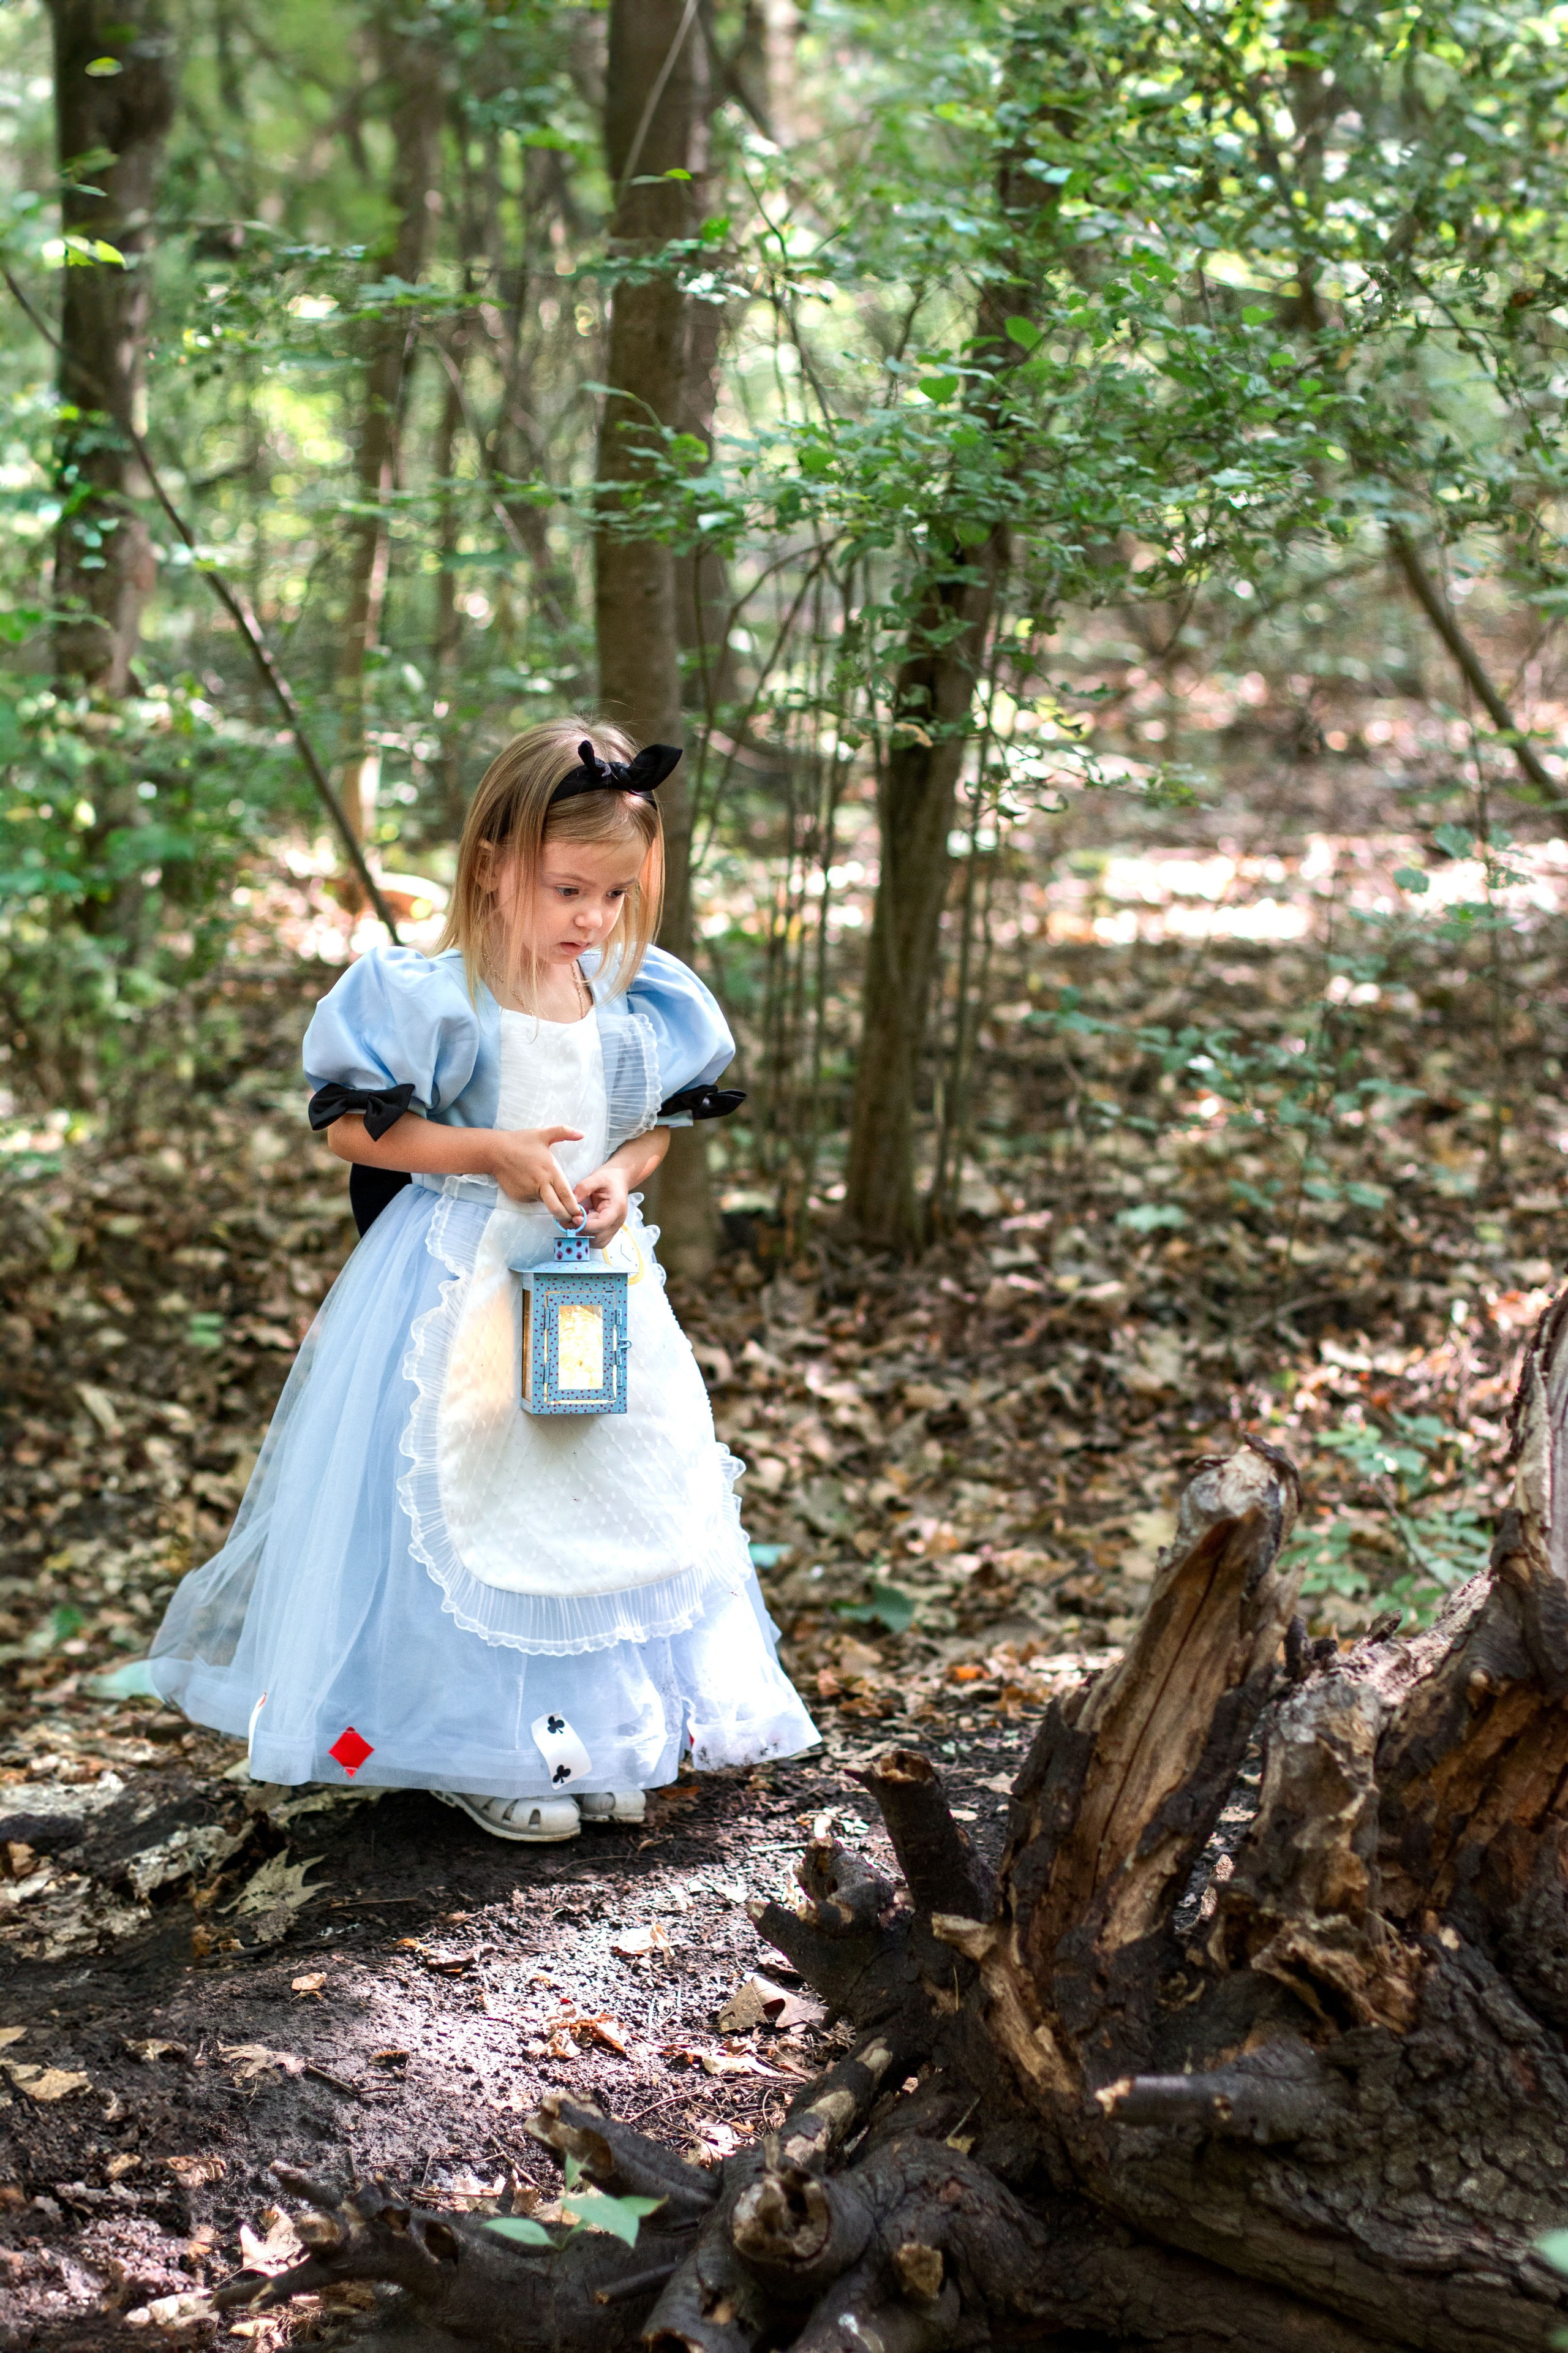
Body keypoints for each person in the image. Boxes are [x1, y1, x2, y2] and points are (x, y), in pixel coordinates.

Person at [145, 719, 818, 1840]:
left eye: (614, 895)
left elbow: (658, 1131)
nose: (592, 920)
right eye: (568, 891)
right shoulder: (431, 997)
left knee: (604, 1492)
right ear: (492, 861)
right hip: (460, 1283)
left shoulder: (635, 999)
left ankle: (598, 1735)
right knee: (470, 1497)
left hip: (593, 1287)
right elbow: (359, 1133)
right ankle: (473, 1742)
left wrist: (616, 1170)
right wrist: (490, 1153)